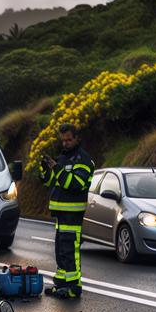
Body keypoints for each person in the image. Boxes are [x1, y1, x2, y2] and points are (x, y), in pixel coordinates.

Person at [39, 123, 94, 299]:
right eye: (63, 140)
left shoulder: (84, 161)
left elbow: (75, 184)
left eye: (69, 140)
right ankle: (61, 284)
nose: (65, 144)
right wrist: (45, 170)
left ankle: (74, 286)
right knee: (61, 251)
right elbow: (49, 183)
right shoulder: (62, 158)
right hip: (61, 213)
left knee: (71, 251)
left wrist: (56, 168)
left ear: (77, 138)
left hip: (73, 213)